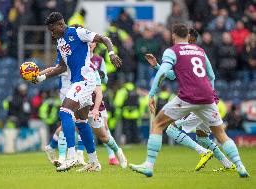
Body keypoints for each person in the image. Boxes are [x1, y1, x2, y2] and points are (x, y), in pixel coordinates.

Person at [129, 23, 249, 178]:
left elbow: (166, 73)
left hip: (189, 97)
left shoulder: (173, 51)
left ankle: (149, 165)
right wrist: (210, 96)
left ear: (174, 35)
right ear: (187, 36)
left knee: (159, 124)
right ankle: (239, 167)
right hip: (208, 98)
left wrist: (152, 94)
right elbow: (211, 76)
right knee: (219, 135)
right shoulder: (200, 51)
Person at [33, 12, 122, 172]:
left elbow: (104, 39)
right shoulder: (60, 41)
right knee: (81, 122)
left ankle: (72, 157)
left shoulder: (77, 32)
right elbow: (61, 67)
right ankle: (94, 162)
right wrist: (41, 77)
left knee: (65, 112)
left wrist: (111, 53)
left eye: (52, 29)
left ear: (60, 25)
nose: (51, 33)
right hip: (78, 81)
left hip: (86, 79)